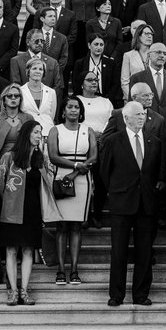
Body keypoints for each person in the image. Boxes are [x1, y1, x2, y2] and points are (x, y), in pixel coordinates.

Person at [97, 100, 166, 306]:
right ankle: (116, 295)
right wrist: (117, 191)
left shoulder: (154, 141)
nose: (141, 117)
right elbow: (104, 172)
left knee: (144, 251)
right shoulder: (113, 141)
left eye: (143, 114)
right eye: (137, 114)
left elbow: (156, 173)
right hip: (121, 202)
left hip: (146, 203)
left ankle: (141, 294)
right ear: (126, 118)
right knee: (118, 250)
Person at [47, 96, 97, 287]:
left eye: (77, 107)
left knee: (76, 226)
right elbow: (53, 156)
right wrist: (76, 165)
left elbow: (93, 156)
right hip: (62, 177)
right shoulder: (55, 130)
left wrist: (79, 169)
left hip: (83, 178)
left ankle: (74, 269)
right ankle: (61, 269)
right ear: (63, 111)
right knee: (61, 226)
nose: (74, 110)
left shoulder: (88, 130)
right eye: (70, 107)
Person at [0, 119, 47, 305]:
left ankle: (24, 290)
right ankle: (13, 290)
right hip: (12, 209)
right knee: (11, 249)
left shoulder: (41, 157)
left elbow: (45, 185)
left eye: (40, 132)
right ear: (26, 134)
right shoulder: (8, 157)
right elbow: (1, 184)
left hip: (33, 209)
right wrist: (10, 203)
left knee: (28, 249)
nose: (38, 136)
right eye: (35, 132)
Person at [19, 58, 57, 135]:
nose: (37, 71)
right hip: (27, 133)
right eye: (34, 68)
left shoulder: (51, 92)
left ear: (43, 73)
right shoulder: (20, 91)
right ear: (28, 71)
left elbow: (51, 115)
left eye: (40, 69)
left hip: (48, 132)